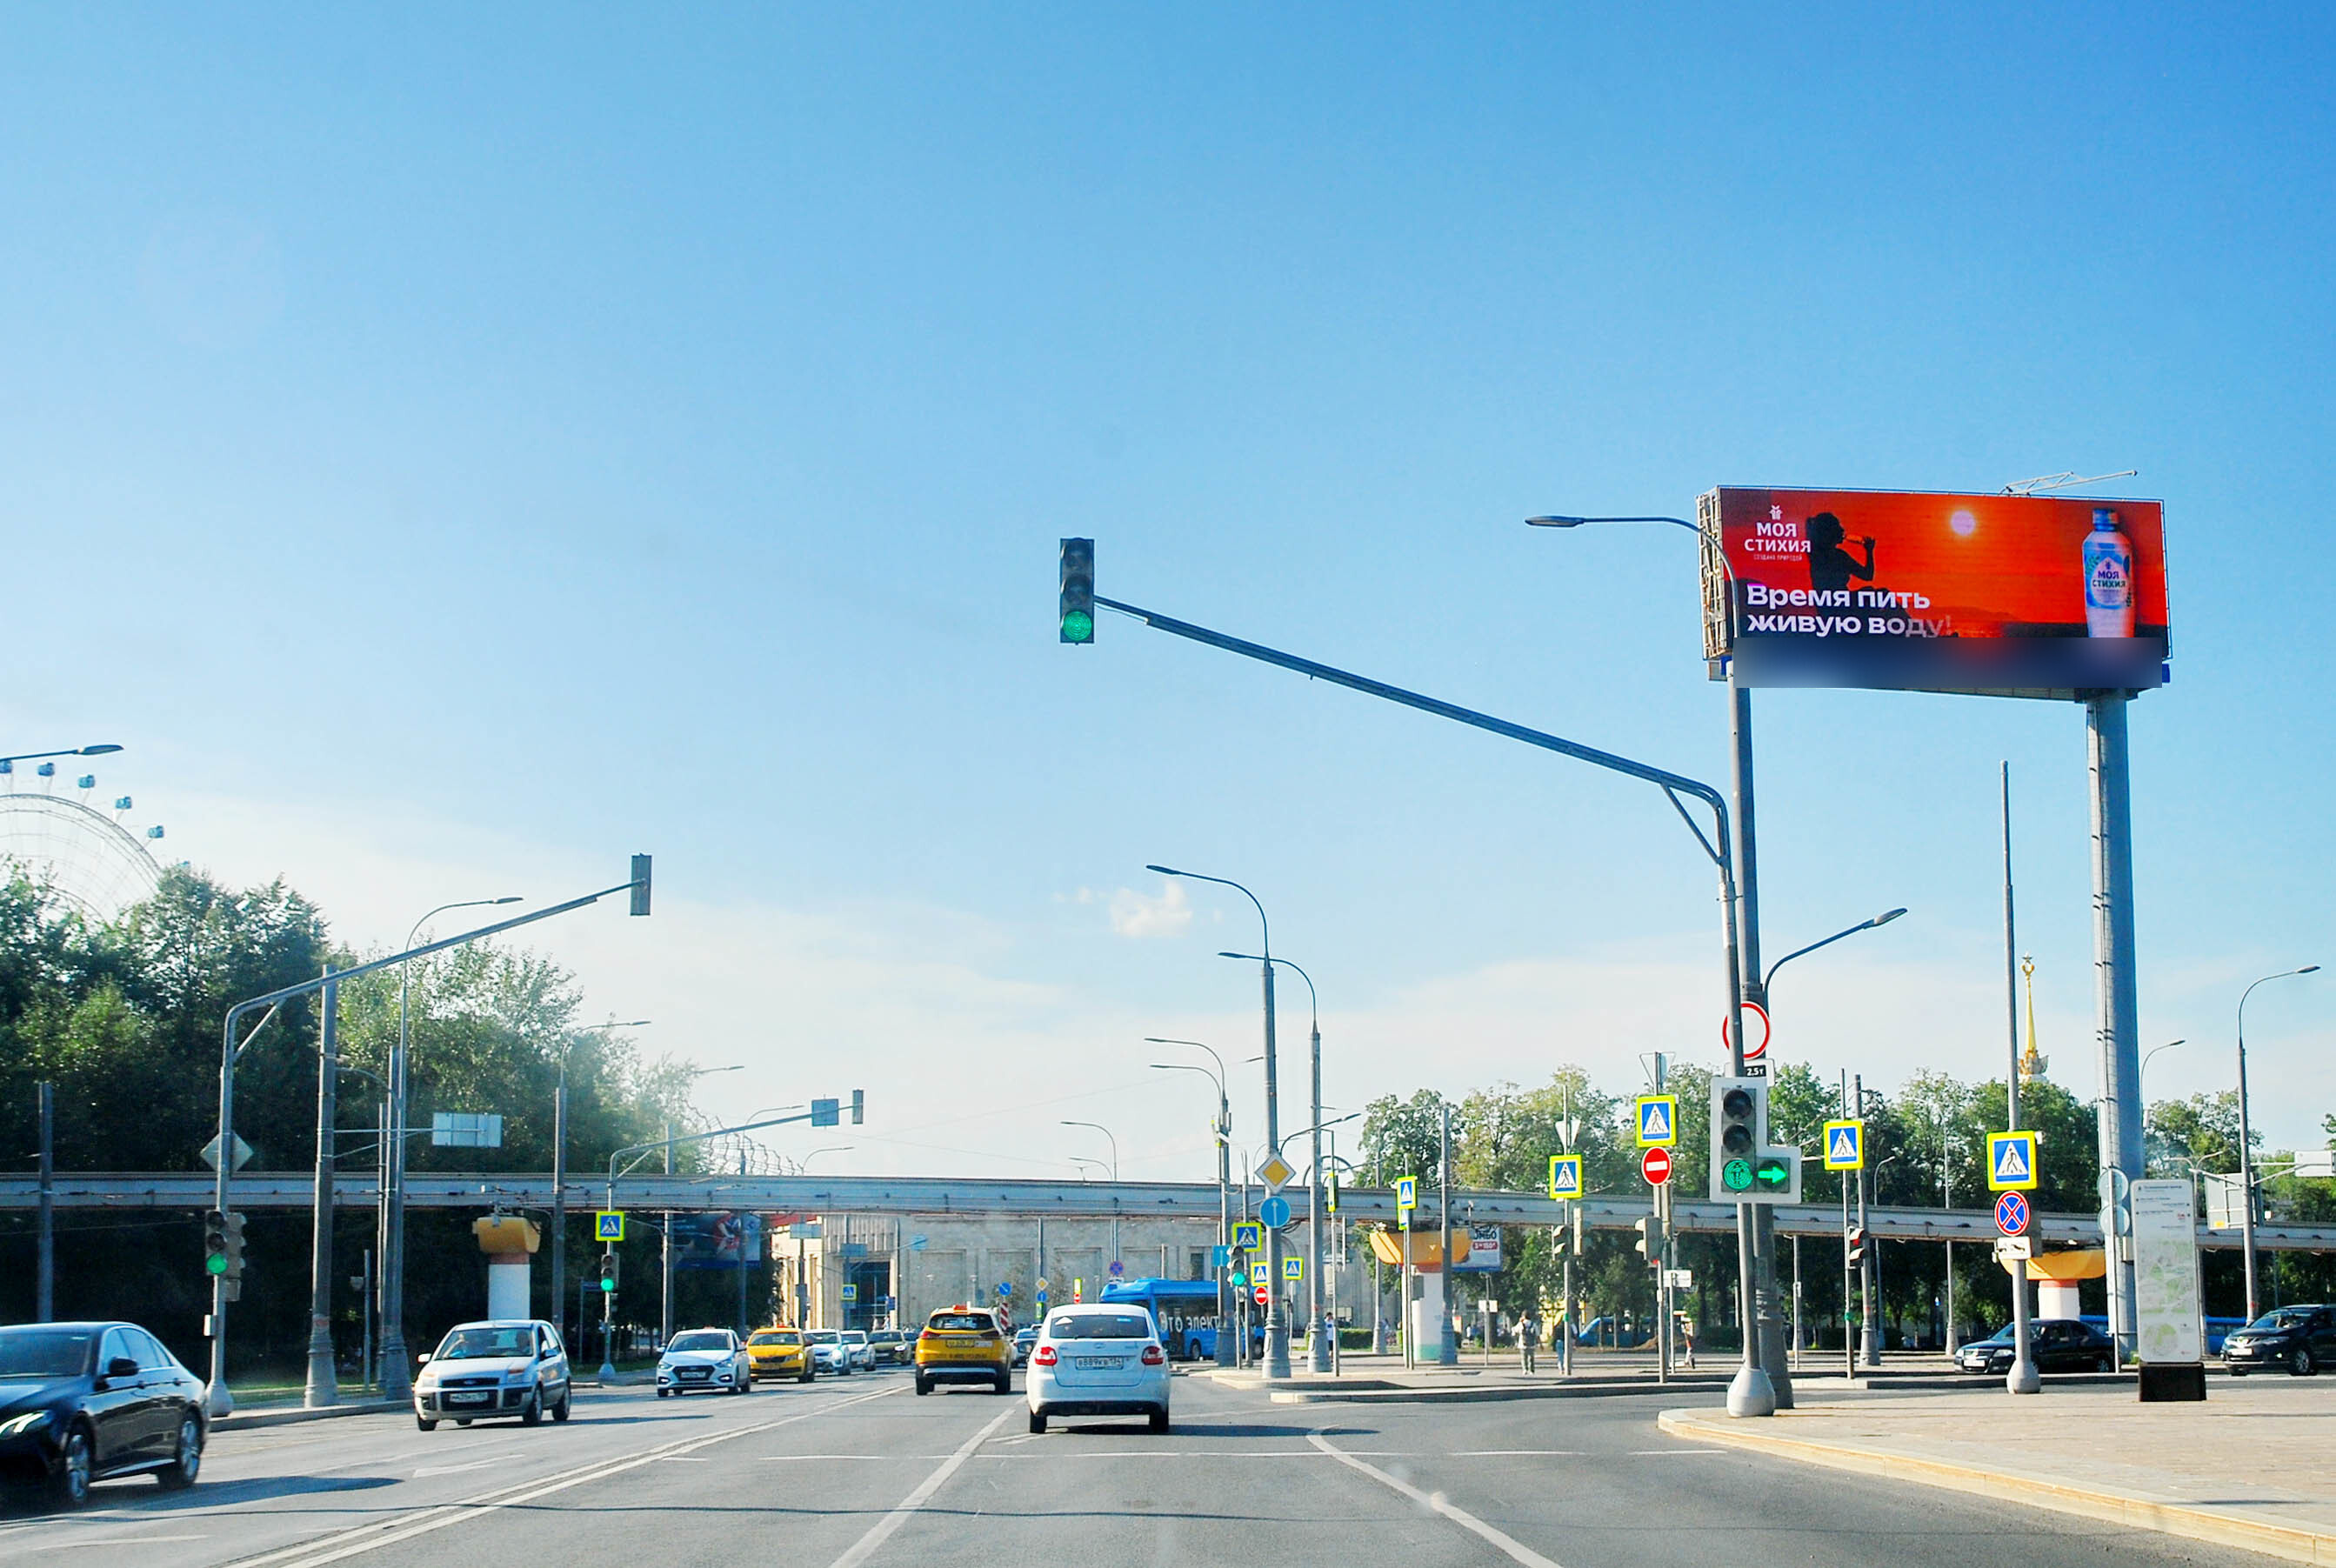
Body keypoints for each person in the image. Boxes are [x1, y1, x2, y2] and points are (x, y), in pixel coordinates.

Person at [1805, 511, 1876, 596]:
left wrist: (1869, 551)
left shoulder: (1837, 555)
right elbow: (1867, 575)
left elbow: (1867, 575)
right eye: (1837, 526)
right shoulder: (1831, 557)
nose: (1842, 530)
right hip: (1837, 602)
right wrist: (1869, 551)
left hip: (1839, 601)